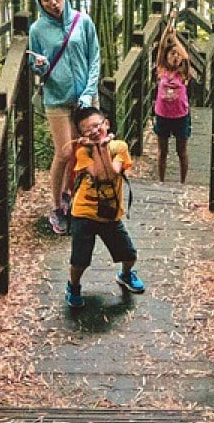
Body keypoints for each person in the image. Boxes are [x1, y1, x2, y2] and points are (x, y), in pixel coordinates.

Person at [28, 0, 100, 234]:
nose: (53, 2)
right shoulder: (37, 30)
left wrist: (89, 93)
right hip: (57, 98)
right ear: (40, 3)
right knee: (65, 152)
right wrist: (40, 66)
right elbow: (35, 61)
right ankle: (56, 206)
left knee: (83, 150)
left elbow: (95, 58)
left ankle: (72, 195)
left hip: (84, 97)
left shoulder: (83, 21)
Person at [58, 105, 144, 307]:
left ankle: (125, 274)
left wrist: (104, 147)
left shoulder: (120, 147)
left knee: (129, 254)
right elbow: (99, 175)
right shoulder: (82, 153)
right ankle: (74, 285)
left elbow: (113, 173)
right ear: (82, 135)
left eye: (97, 126)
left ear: (106, 124)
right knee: (80, 259)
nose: (95, 131)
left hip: (110, 212)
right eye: (88, 130)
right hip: (84, 212)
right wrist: (97, 147)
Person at [152, 30, 191, 182]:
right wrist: (166, 34)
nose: (175, 56)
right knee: (162, 151)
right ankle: (161, 181)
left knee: (181, 151)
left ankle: (183, 182)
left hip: (180, 116)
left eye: (177, 54)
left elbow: (186, 57)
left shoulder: (183, 73)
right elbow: (161, 48)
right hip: (162, 115)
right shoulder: (161, 70)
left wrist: (174, 39)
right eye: (172, 53)